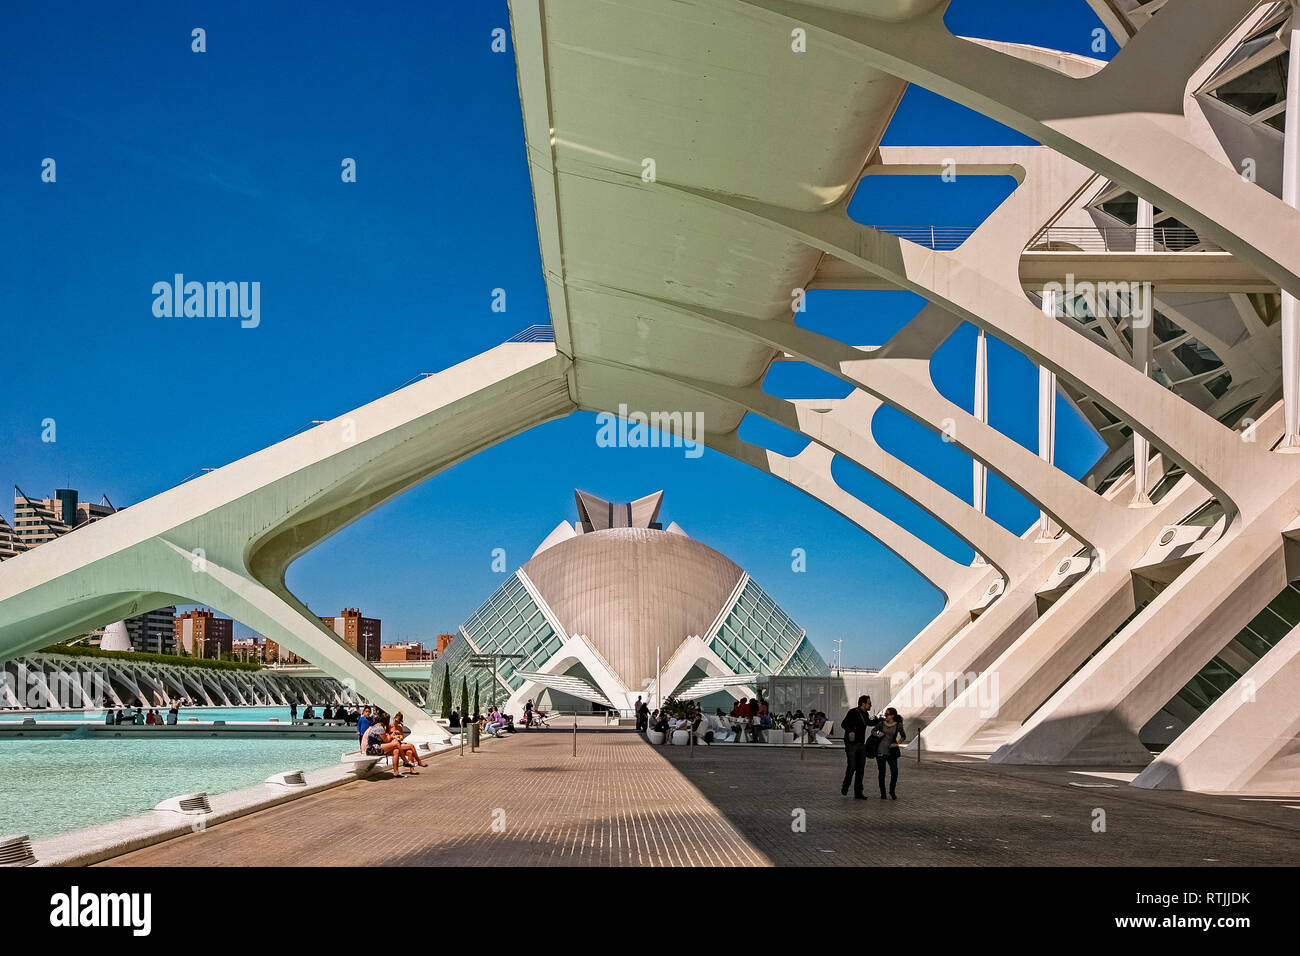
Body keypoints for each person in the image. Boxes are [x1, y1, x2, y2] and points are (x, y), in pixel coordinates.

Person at [840, 695, 874, 799]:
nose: (870, 705)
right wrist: (850, 731)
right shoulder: (853, 712)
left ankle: (858, 792)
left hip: (861, 744)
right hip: (851, 745)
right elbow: (843, 724)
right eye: (869, 703)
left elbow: (869, 723)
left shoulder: (865, 714)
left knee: (860, 769)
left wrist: (881, 720)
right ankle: (845, 786)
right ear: (863, 704)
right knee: (852, 767)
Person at [874, 707, 907, 800]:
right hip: (880, 751)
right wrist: (877, 734)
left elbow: (903, 736)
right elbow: (873, 731)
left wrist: (897, 744)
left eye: (887, 714)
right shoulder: (881, 723)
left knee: (894, 771)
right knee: (882, 772)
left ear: (893, 715)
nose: (886, 716)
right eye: (885, 714)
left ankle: (892, 791)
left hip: (891, 752)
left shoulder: (898, 725)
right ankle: (883, 793)